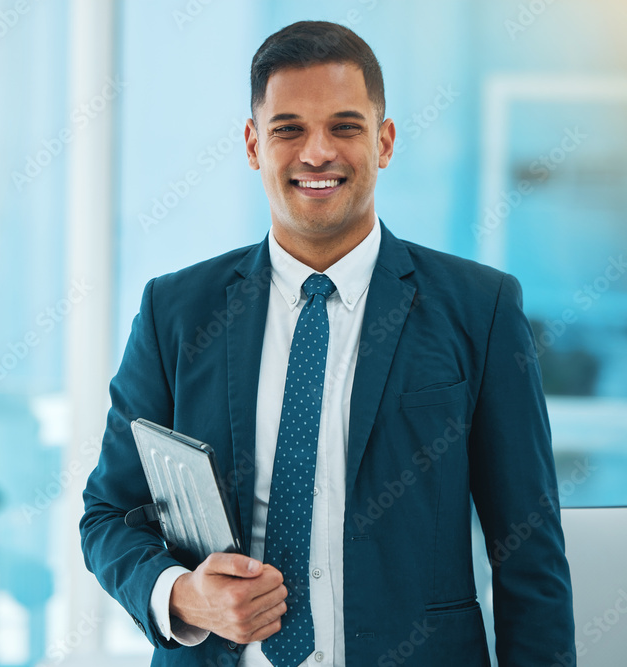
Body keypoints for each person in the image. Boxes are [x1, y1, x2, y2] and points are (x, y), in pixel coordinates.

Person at [80, 20, 575, 667]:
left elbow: (529, 552)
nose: (317, 153)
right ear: (255, 145)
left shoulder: (479, 308)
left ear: (385, 140)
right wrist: (182, 596)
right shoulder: (175, 310)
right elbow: (109, 513)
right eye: (289, 129)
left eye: (344, 126)